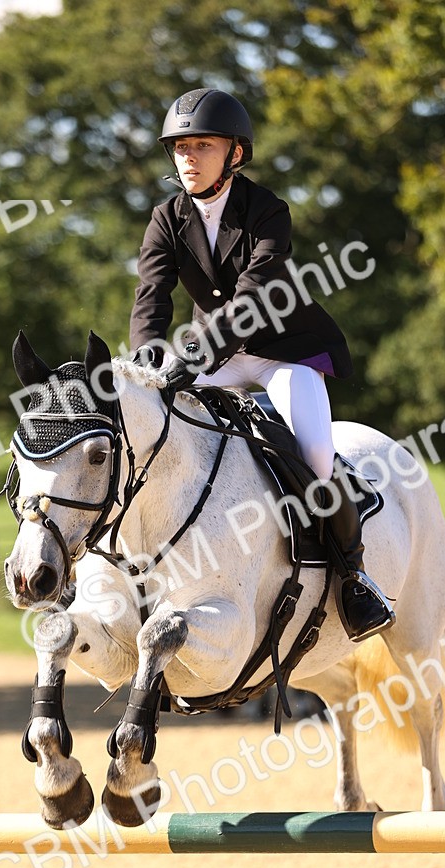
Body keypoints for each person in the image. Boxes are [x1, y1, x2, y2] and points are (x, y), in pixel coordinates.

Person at [129, 87, 395, 643]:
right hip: (211, 355)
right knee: (148, 431)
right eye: (180, 147)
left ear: (235, 154)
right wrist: (148, 360)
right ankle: (137, 569)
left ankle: (354, 577)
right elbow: (151, 296)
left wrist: (192, 356)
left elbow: (253, 296)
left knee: (316, 452)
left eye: (203, 145)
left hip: (282, 352)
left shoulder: (268, 211)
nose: (188, 157)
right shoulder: (166, 217)